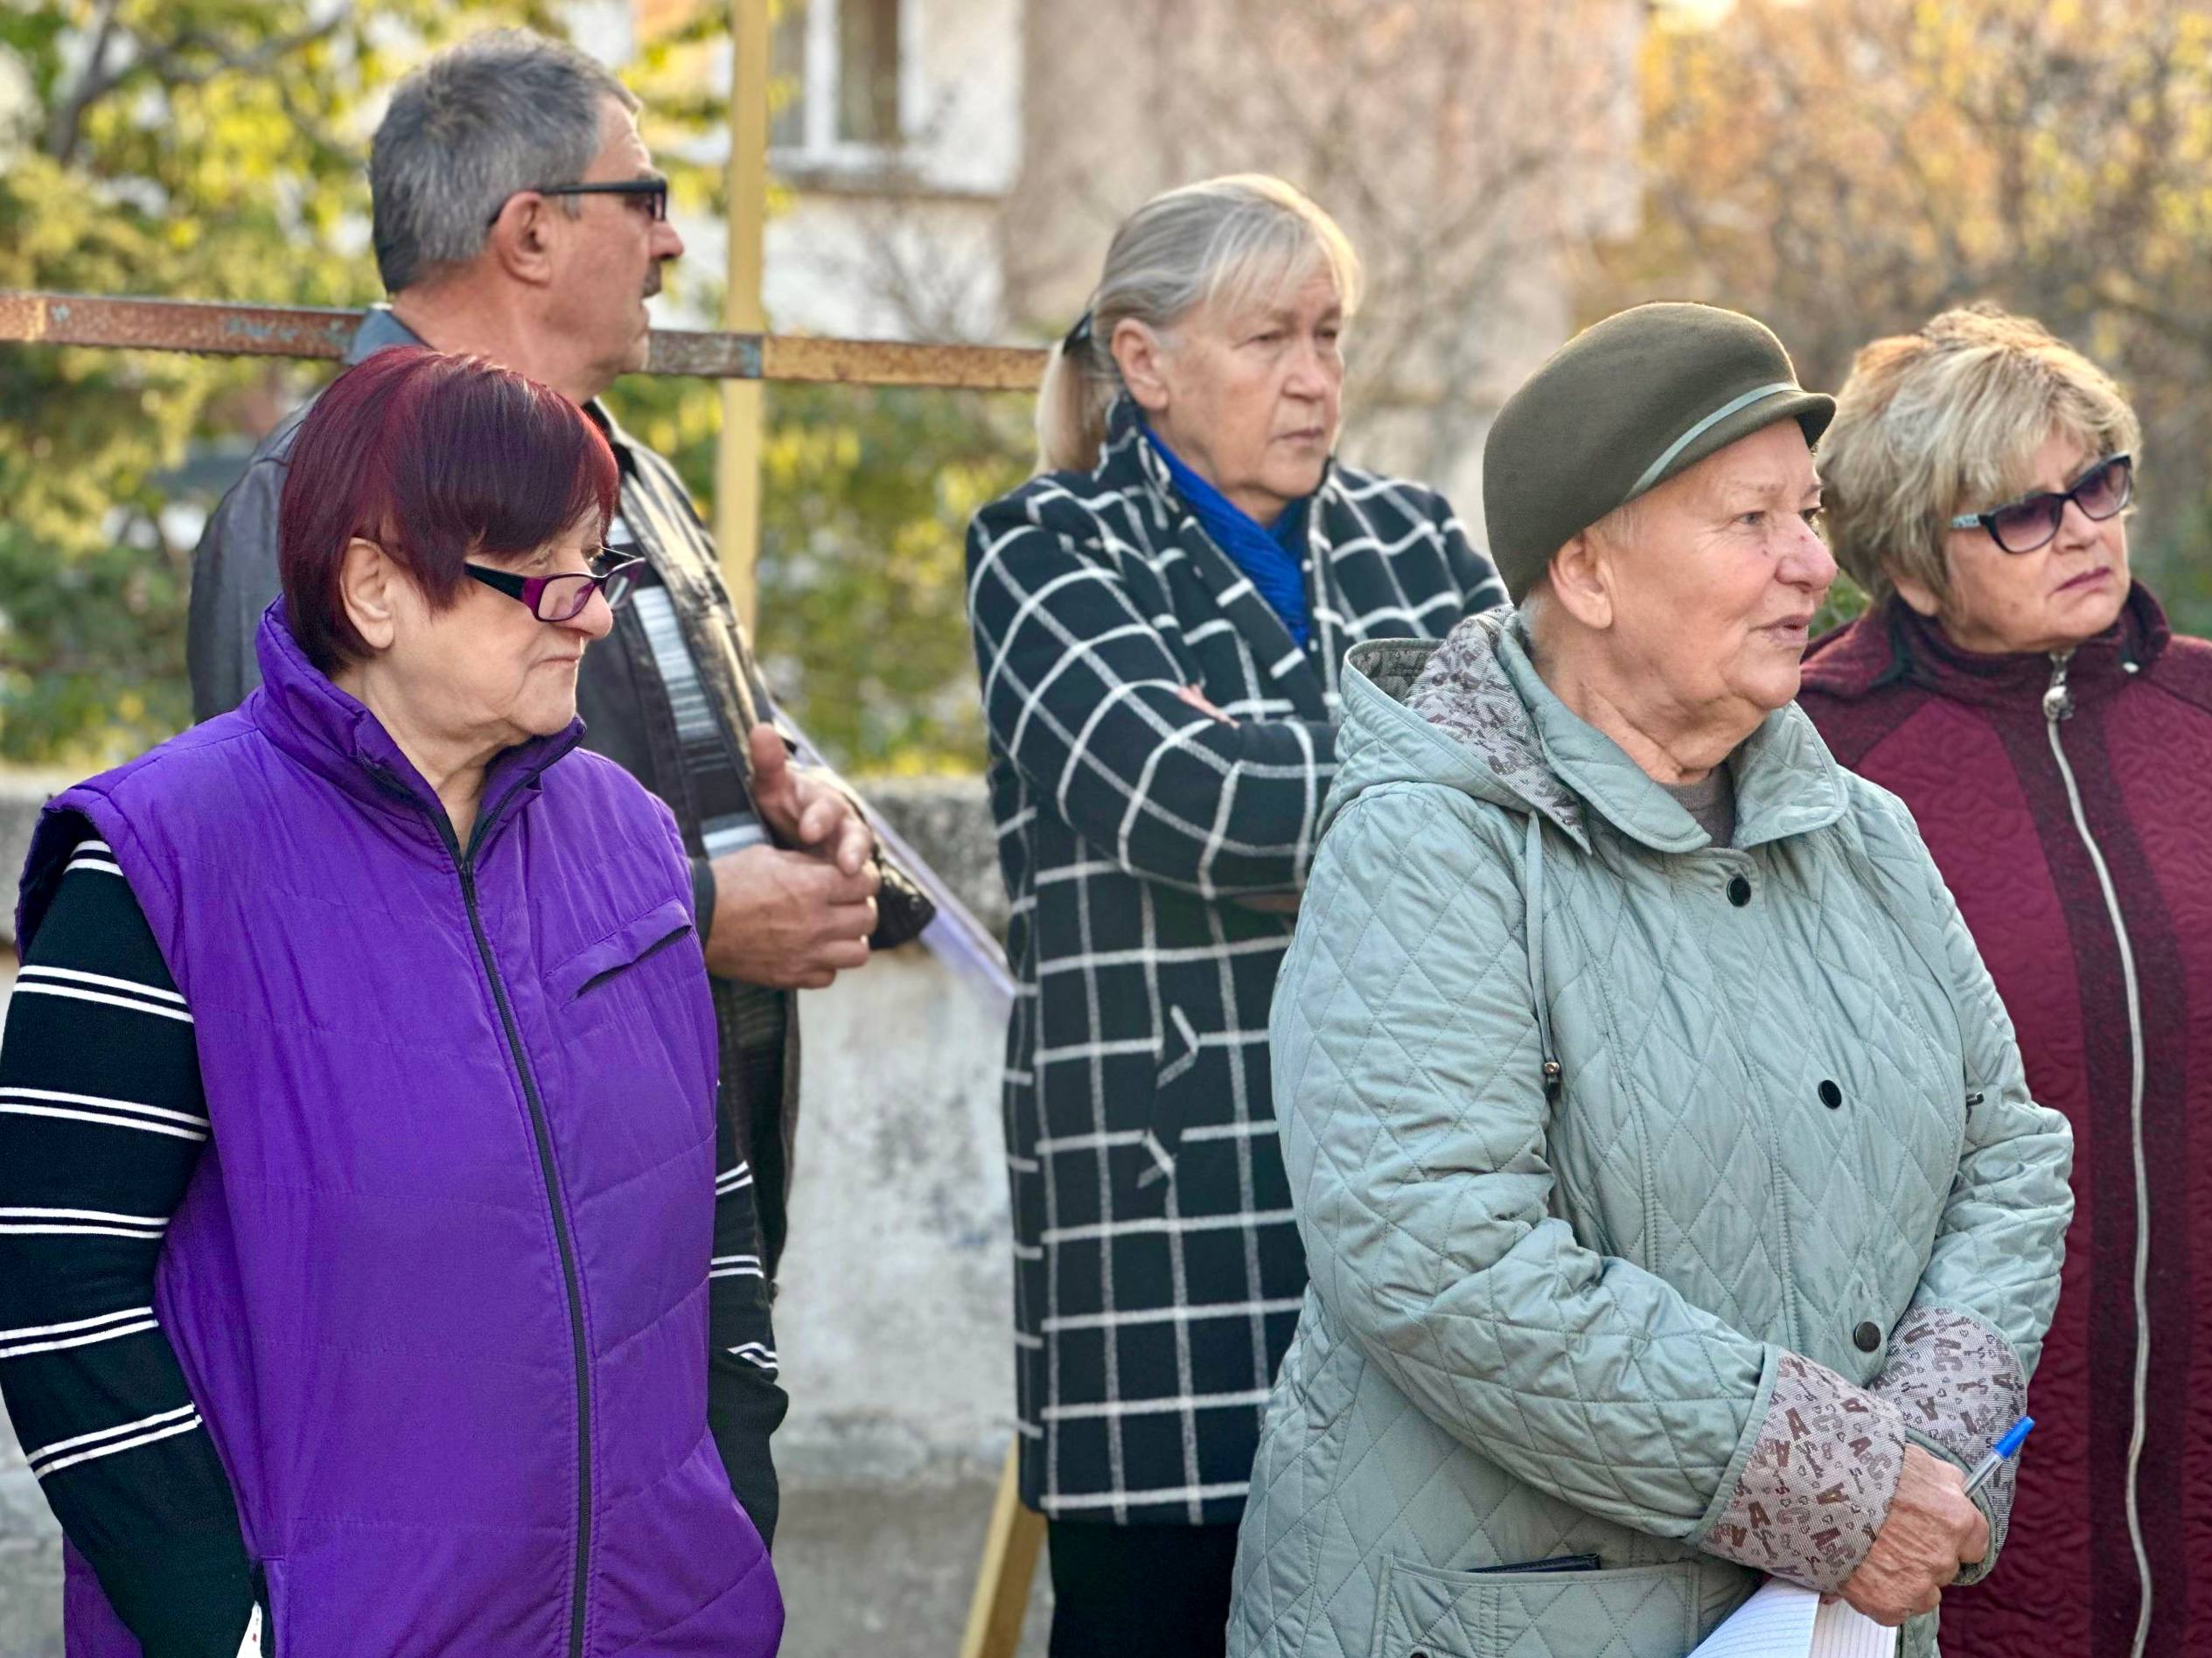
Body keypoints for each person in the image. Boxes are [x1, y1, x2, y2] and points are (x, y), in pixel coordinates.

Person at [1227, 303, 2076, 1658]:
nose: (1813, 565)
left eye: (1809, 514)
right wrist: (1842, 1489)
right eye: (1751, 522)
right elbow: (1438, 1255)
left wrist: (1917, 1454)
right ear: (1588, 571)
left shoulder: (1861, 835)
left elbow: (2010, 1152)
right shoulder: (1430, 842)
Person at [185, 29, 933, 1545]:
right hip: (480, 1306)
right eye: (644, 195)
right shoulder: (317, 498)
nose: (674, 239)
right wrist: (708, 913)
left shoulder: (627, 474)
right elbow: (327, 878)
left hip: (672, 1255)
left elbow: (705, 747)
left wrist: (807, 813)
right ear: (529, 229)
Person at [0, 348, 781, 1656]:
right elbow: (56, 1288)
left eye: (605, 568)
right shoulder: (158, 865)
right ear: (372, 588)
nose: (592, 615)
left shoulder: (630, 839)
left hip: (662, 1621)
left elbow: (712, 1205)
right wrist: (222, 1629)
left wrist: (734, 1506)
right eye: (548, 578)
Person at [963, 173, 1507, 1656]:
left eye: (1330, 334)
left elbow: (1539, 784)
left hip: (1418, 1199)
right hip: (1163, 1222)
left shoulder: (1414, 539)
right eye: (1270, 337)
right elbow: (1190, 805)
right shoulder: (1041, 548)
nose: (1317, 377)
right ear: (1141, 360)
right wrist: (1420, 769)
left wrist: (1341, 767)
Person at [1798, 303, 2212, 1658]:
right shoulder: (1811, 761)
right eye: (2023, 512)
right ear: (1913, 566)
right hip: (1956, 1482)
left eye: (2095, 481)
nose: (2087, 527)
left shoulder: (2203, 716)